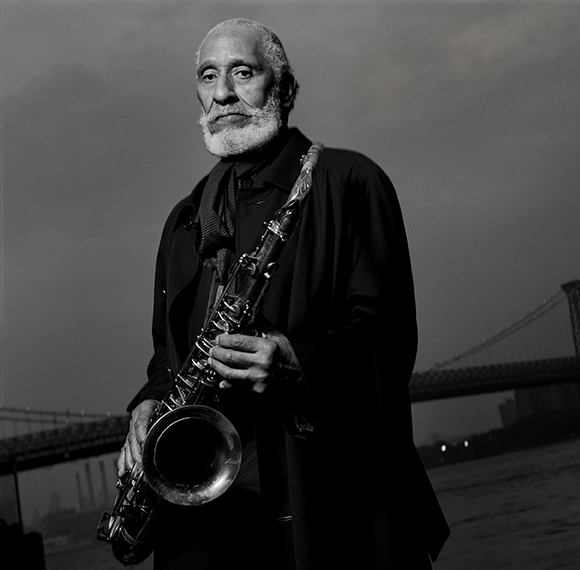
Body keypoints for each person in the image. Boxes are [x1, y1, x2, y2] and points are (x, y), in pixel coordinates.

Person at [117, 18, 449, 570]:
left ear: (284, 89)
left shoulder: (350, 182)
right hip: (207, 526)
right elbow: (166, 357)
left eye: (241, 72)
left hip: (324, 509)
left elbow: (390, 346)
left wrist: (296, 362)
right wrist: (148, 403)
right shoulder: (182, 222)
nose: (221, 93)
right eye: (207, 76)